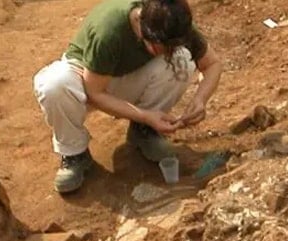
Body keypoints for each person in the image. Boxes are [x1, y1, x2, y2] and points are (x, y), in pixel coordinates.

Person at [33, 0, 224, 194]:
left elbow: (212, 64)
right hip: (86, 78)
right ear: (143, 30)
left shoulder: (172, 20)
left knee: (182, 61)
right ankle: (74, 153)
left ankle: (144, 132)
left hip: (125, 77)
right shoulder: (110, 30)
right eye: (161, 48)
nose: (167, 52)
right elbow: (95, 92)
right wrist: (144, 114)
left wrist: (201, 99)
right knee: (54, 85)